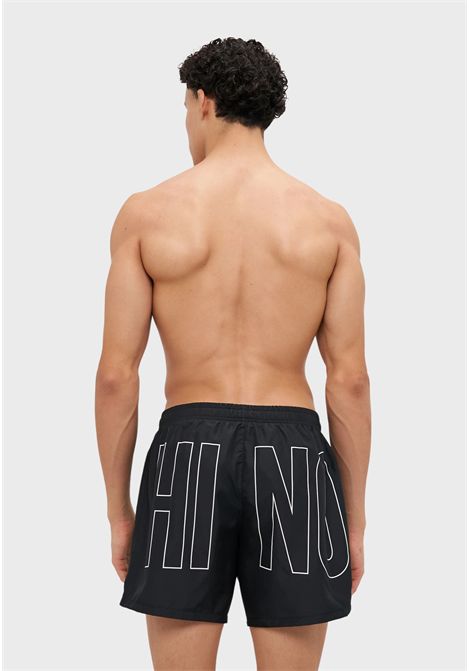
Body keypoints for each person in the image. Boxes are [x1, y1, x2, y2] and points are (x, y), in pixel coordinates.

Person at [95, 37, 371, 671]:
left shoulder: (147, 214)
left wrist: (119, 513)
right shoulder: (328, 222)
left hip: (188, 454)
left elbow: (116, 376)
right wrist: (353, 521)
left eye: (184, 109)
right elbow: (349, 380)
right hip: (295, 459)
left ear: (203, 101)